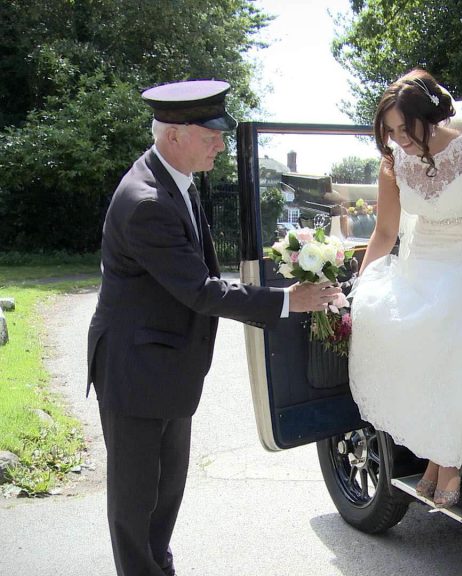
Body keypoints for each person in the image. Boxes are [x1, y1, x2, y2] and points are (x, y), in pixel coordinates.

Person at [86, 79, 340, 576]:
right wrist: (287, 300)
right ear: (175, 134)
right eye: (211, 134)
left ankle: (159, 566)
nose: (222, 143)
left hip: (164, 366)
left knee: (165, 491)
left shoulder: (173, 180)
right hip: (136, 370)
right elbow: (200, 290)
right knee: (136, 501)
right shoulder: (147, 202)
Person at [348, 69, 462, 508]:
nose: (398, 139)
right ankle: (440, 454)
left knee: (452, 327)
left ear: (428, 118)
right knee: (392, 324)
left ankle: (447, 461)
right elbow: (384, 234)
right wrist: (359, 289)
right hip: (425, 262)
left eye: (404, 128)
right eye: (390, 132)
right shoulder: (393, 163)